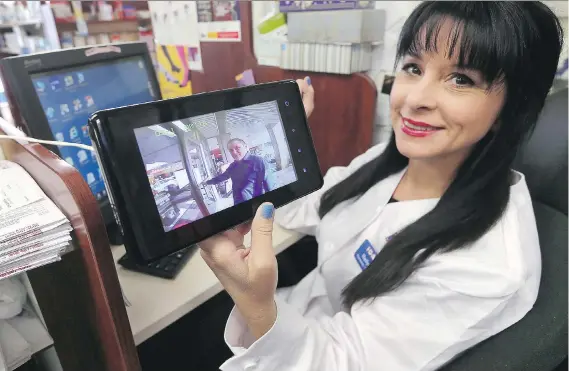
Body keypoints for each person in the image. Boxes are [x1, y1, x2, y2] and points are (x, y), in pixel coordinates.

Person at [198, 2, 564, 370]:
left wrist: (257, 306)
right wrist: (281, 147)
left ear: (512, 109)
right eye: (413, 67)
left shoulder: (486, 267)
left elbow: (345, 363)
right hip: (294, 313)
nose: (414, 99)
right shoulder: (391, 161)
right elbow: (307, 208)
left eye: (461, 79)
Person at [204, 138, 274, 204]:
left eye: (237, 148)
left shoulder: (258, 161)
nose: (234, 152)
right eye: (231, 150)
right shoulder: (233, 166)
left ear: (246, 147)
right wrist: (208, 182)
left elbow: (270, 185)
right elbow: (223, 177)